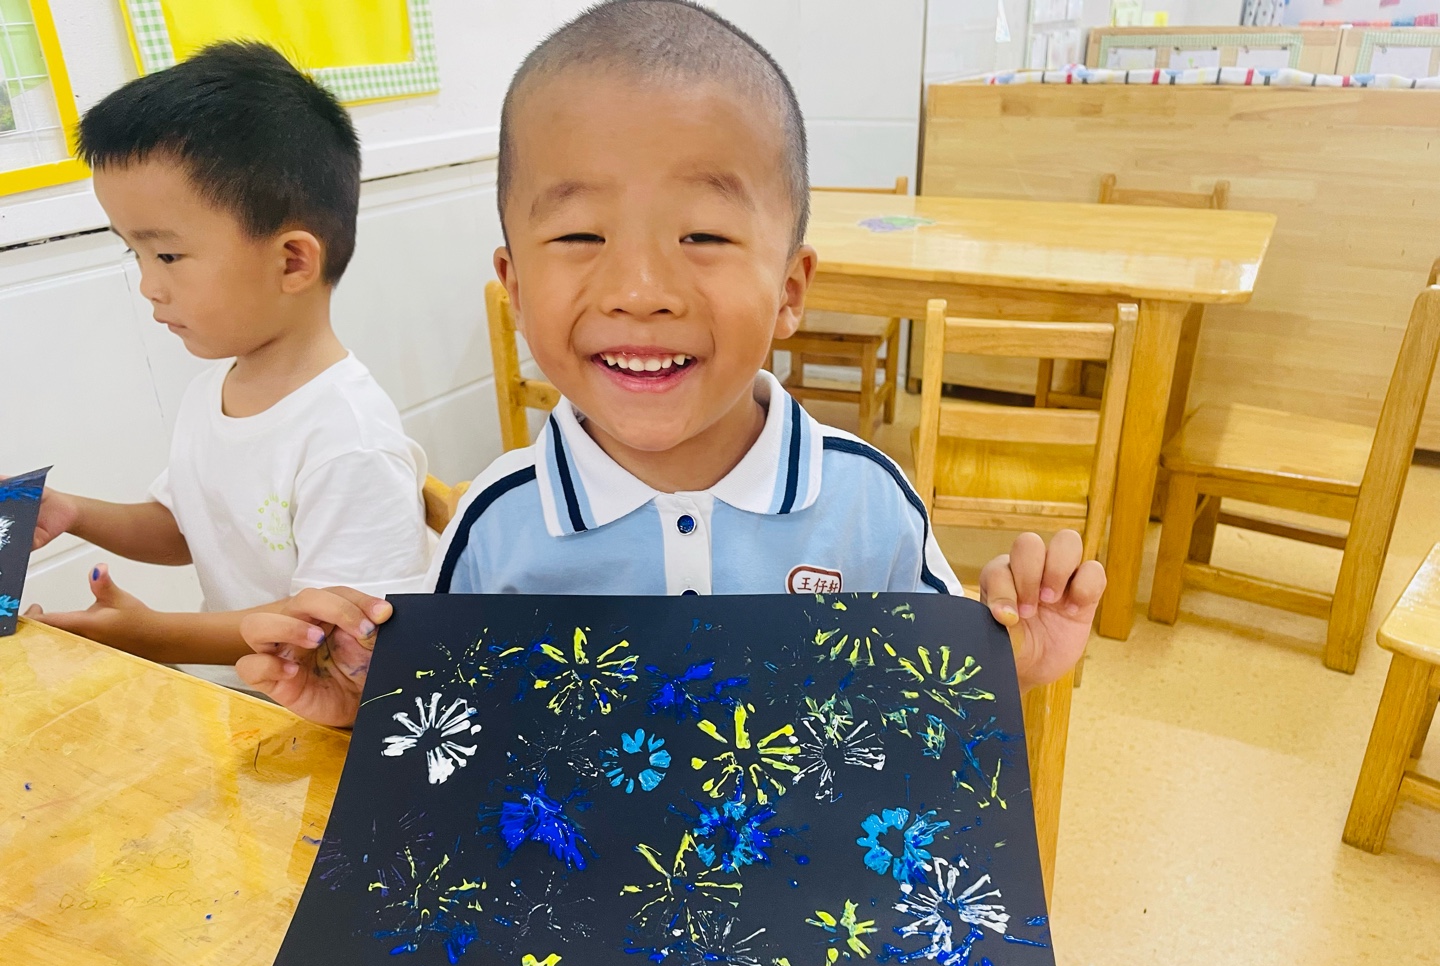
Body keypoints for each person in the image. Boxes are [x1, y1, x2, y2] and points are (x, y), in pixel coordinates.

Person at [236, 0, 1106, 725]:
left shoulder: (868, 507)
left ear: (790, 290)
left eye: (705, 235)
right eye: (580, 235)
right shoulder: (497, 526)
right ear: (515, 286)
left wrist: (1012, 661)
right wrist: (370, 700)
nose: (641, 291)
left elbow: (926, 706)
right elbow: (457, 726)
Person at [24, 42, 431, 677]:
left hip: (315, 718)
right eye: (134, 254)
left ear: (292, 261)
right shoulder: (216, 389)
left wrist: (155, 637)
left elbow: (329, 635)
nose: (148, 286)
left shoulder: (347, 441)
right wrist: (71, 512)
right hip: (234, 697)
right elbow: (185, 528)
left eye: (167, 255)